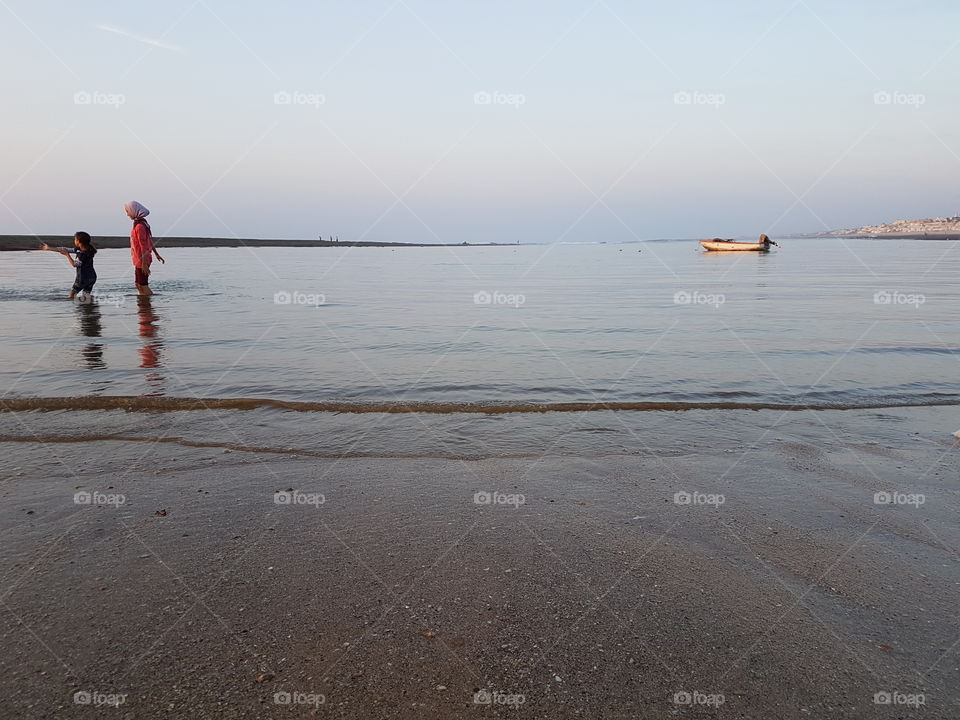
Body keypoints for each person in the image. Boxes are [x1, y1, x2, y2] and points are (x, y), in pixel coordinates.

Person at [39, 231, 98, 300]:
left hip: (82, 278)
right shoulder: (87, 250)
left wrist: (67, 255)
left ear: (79, 241)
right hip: (92, 278)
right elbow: (65, 249)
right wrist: (49, 248)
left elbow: (75, 264)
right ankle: (89, 308)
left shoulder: (82, 254)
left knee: (71, 296)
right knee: (86, 297)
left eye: (75, 239)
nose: (74, 241)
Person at [124, 201, 164, 295]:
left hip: (142, 260)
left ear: (134, 211)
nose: (127, 214)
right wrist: (157, 254)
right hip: (138, 260)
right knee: (138, 284)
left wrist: (144, 263)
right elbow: (149, 241)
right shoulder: (138, 224)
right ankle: (143, 307)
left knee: (143, 284)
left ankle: (148, 307)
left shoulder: (139, 226)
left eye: (128, 211)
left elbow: (144, 245)